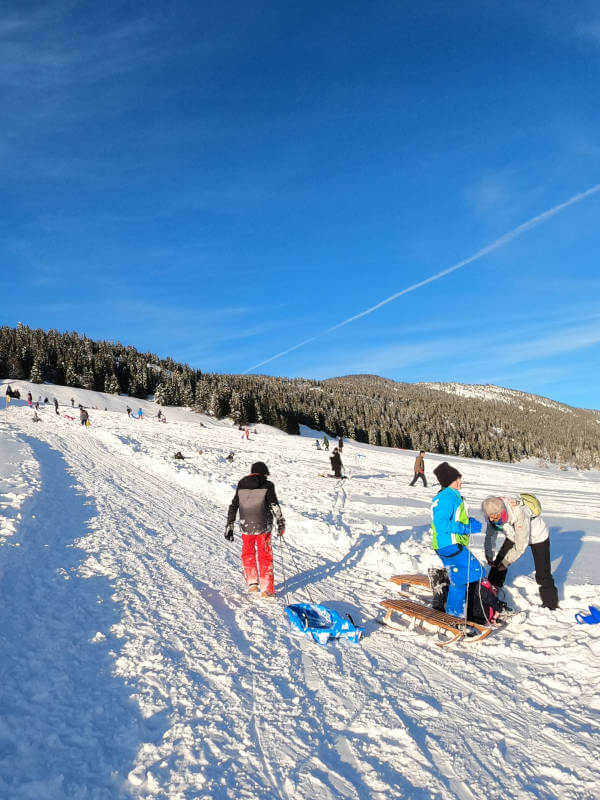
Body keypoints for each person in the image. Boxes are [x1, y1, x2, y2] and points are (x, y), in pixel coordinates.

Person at [482, 495, 559, 610]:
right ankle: (491, 592)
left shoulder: (519, 513)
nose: (492, 519)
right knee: (498, 564)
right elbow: (490, 535)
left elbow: (521, 544)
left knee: (543, 574)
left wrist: (506, 562)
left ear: (502, 511)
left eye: (494, 516)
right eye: (490, 517)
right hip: (513, 535)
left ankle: (551, 605)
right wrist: (489, 555)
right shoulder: (492, 510)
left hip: (537, 537)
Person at [430, 462, 485, 619]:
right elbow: (441, 525)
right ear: (448, 481)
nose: (460, 482)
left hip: (449, 544)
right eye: (456, 479)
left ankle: (455, 614)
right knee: (475, 571)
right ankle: (463, 614)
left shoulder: (451, 496)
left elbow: (454, 518)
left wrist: (469, 522)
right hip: (449, 544)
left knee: (461, 578)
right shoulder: (447, 497)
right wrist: (465, 528)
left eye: (459, 478)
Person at [225, 461, 285, 598]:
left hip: (246, 525)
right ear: (264, 473)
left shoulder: (242, 483)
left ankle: (252, 583)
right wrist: (280, 521)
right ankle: (267, 589)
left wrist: (230, 524)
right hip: (263, 525)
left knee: (247, 552)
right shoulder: (268, 485)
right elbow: (274, 504)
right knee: (264, 554)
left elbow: (234, 504)